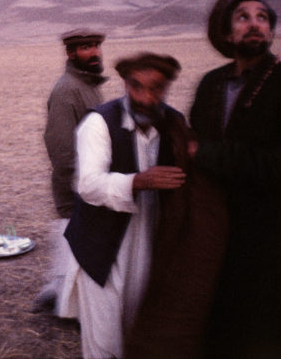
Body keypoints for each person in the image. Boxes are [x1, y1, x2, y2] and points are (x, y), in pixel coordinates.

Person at [189, 0, 281, 359]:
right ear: (225, 32)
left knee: (270, 328)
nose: (254, 23)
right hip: (220, 228)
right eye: (242, 17)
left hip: (277, 235)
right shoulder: (211, 85)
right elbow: (194, 147)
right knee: (221, 324)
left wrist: (209, 154)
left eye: (262, 17)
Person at [57, 53, 188, 359]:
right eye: (136, 86)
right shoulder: (98, 123)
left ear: (166, 87)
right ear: (125, 84)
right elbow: (88, 185)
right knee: (103, 339)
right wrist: (139, 181)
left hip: (152, 241)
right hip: (102, 248)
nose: (145, 97)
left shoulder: (174, 123)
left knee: (139, 329)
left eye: (155, 88)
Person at [34, 29, 107, 313]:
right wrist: (77, 184)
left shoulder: (88, 84)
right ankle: (63, 300)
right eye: (86, 47)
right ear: (70, 53)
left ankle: (58, 292)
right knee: (71, 234)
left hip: (91, 178)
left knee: (76, 239)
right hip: (77, 182)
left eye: (97, 46)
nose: (95, 52)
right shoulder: (67, 90)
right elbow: (61, 144)